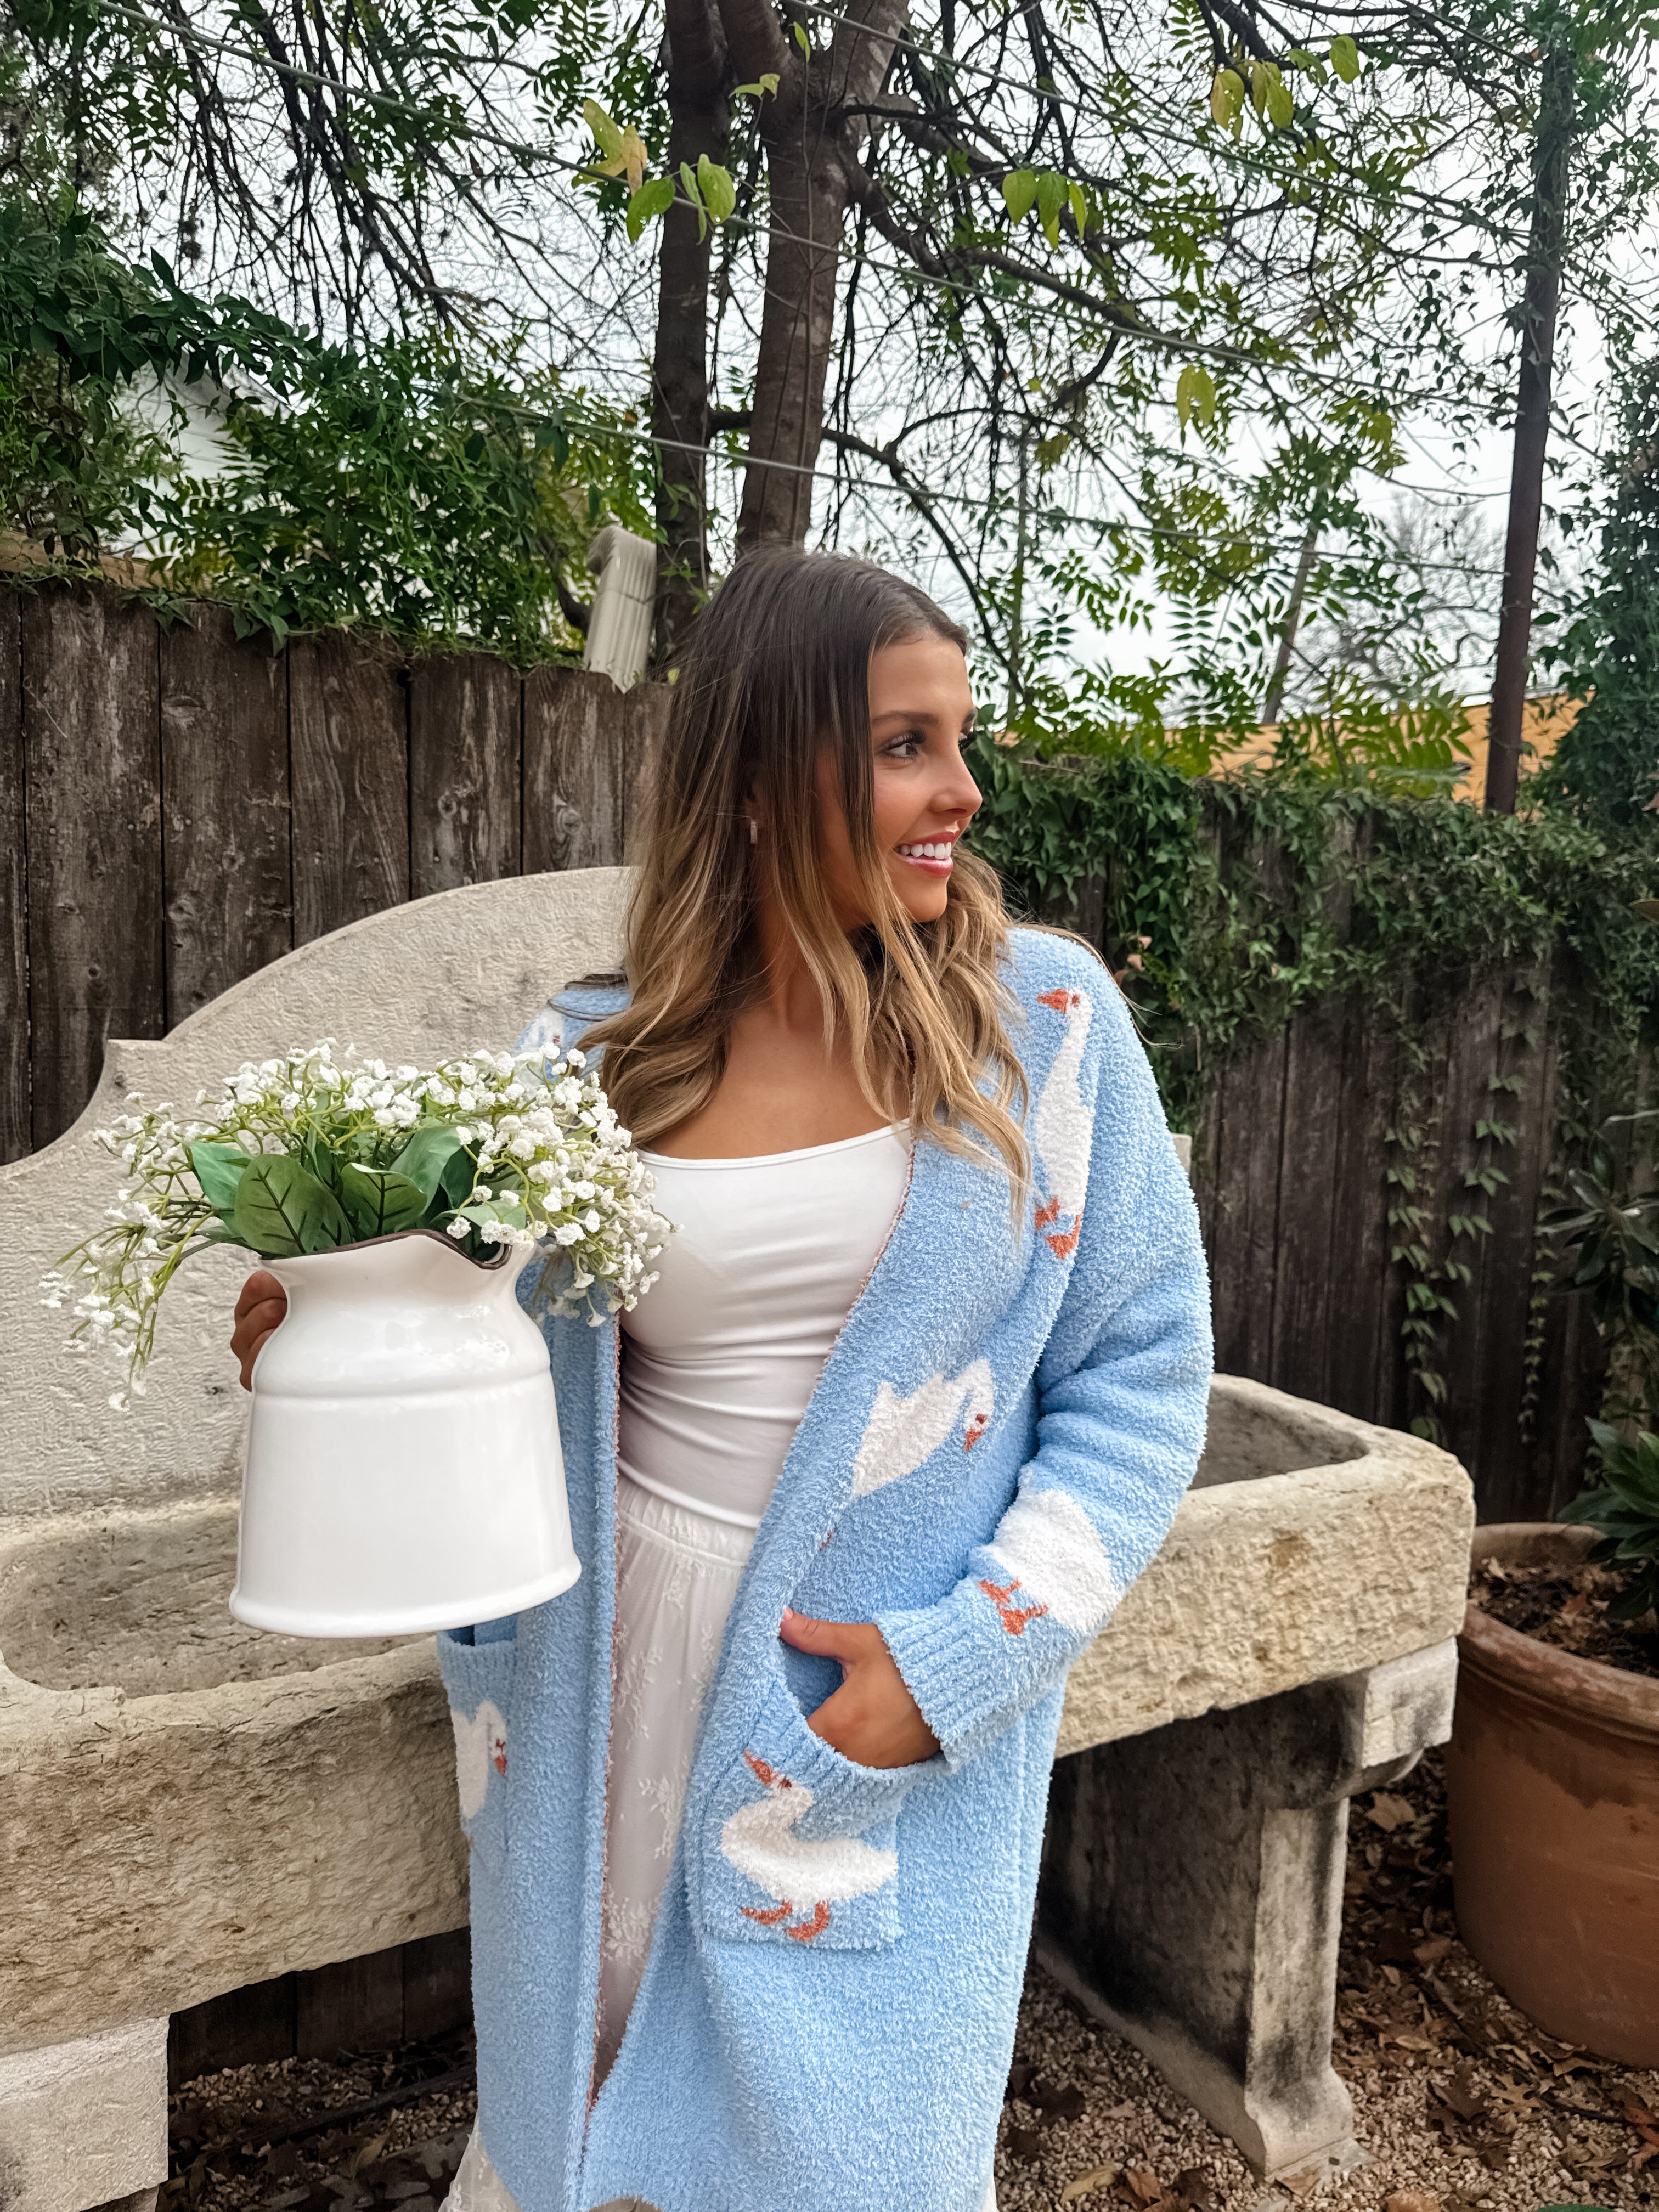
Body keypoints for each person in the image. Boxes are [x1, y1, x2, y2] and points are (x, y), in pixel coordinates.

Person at [230, 549, 1212, 2212]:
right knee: (586, 2106)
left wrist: (965, 1660)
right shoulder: (593, 1057)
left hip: (855, 1689)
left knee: (850, 2157)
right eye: (905, 746)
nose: (963, 792)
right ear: (763, 773)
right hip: (602, 1663)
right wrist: (331, 1324)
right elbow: (485, 1326)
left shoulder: (1042, 1034)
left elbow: (1144, 1375)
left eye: (960, 742)